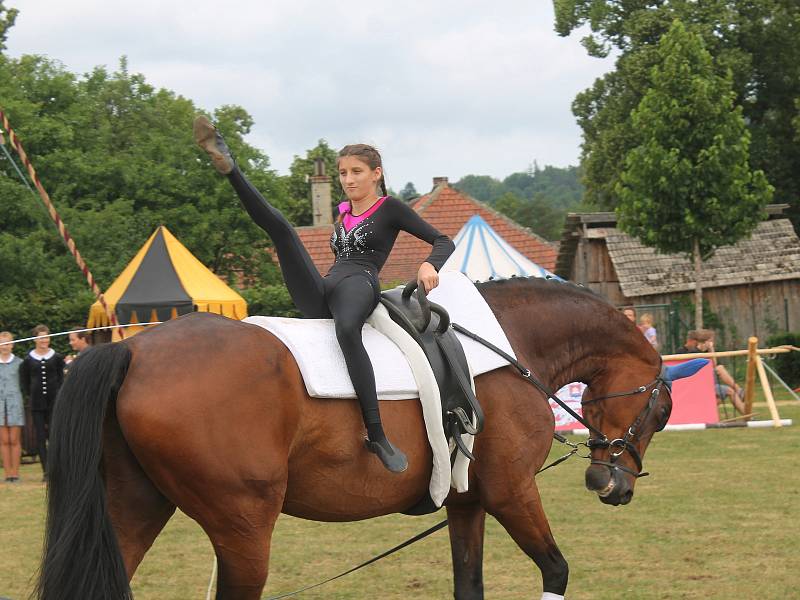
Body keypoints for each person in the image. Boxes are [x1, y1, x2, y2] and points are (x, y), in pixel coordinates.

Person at [194, 116, 454, 473]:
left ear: (376, 174)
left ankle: (376, 433)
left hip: (360, 283)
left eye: (356, 172)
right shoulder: (342, 213)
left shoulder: (390, 208)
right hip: (326, 286)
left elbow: (443, 240)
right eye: (343, 173)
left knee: (347, 331)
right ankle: (230, 168)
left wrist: (429, 265)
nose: (348, 180)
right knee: (283, 231)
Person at [20, 325, 65, 478]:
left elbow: (61, 379)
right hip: (37, 403)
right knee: (40, 436)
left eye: (46, 337)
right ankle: (46, 470)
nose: (44, 340)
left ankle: (56, 468)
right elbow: (24, 381)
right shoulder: (28, 359)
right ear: (35, 340)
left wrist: (59, 395)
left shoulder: (56, 357)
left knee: (54, 434)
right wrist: (30, 396)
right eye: (41, 337)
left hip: (54, 402)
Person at [695, 329, 746, 415]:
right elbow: (713, 365)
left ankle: (739, 391)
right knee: (721, 372)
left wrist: (710, 350)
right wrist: (711, 349)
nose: (713, 343)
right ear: (706, 341)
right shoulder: (695, 352)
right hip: (703, 385)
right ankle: (739, 392)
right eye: (711, 341)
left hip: (709, 382)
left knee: (719, 398)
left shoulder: (705, 352)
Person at [0, 331, 24, 483]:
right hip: (0, 405)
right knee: (3, 440)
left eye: (7, 343)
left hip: (15, 404)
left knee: (14, 439)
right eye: (2, 343)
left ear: (12, 345)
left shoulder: (19, 363)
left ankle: (15, 473)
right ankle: (7, 474)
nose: (4, 346)